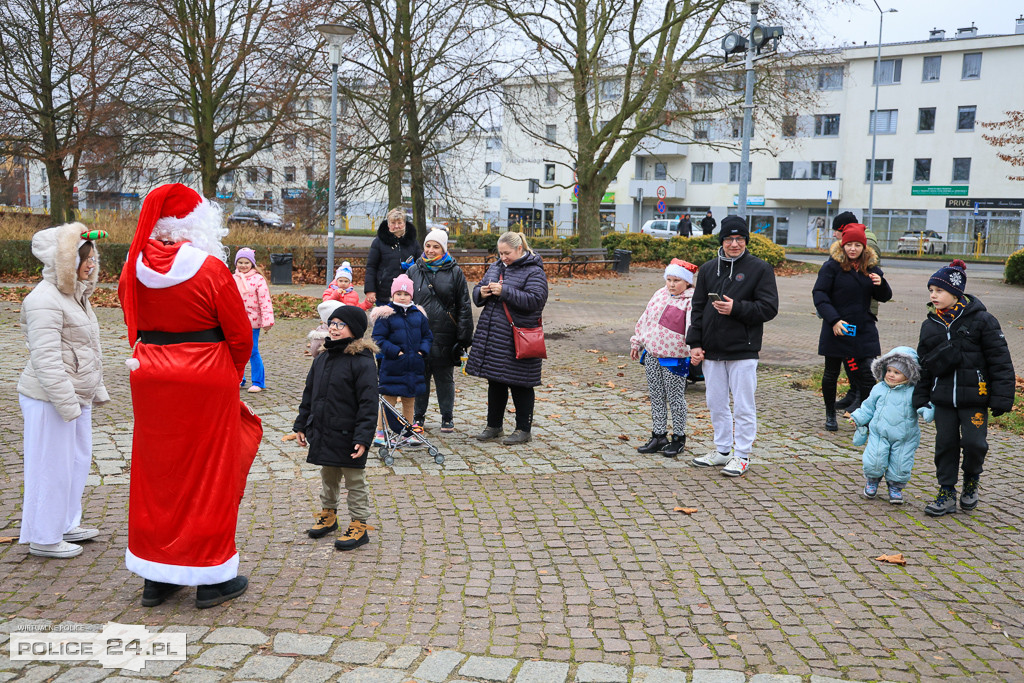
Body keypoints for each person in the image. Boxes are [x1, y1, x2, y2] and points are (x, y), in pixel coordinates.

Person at [118, 183, 260, 609]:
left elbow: (131, 317)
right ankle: (211, 577)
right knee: (210, 473)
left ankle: (155, 577)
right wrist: (227, 377)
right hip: (205, 374)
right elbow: (238, 334)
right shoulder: (210, 268)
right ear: (196, 225)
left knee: (156, 475)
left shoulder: (133, 266)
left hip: (151, 376)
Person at [17, 224, 109, 559]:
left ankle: (65, 523)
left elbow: (88, 348)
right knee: (51, 465)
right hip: (49, 399)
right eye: (84, 257)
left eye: (93, 257)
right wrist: (67, 402)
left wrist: (93, 390)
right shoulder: (44, 299)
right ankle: (44, 535)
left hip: (74, 397)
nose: (91, 263)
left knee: (75, 462)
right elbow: (46, 358)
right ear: (65, 260)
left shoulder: (75, 296)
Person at [913, 260, 1015, 517]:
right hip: (944, 399)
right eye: (931, 291)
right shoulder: (930, 325)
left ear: (956, 293)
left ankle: (971, 479)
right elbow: (924, 365)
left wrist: (1002, 396)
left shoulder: (983, 321)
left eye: (939, 290)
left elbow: (1000, 360)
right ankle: (946, 490)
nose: (933, 296)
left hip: (975, 398)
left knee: (974, 443)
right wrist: (921, 396)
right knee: (945, 444)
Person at [686, 216, 779, 477]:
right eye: (729, 239)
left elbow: (769, 308)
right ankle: (723, 450)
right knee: (716, 403)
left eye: (739, 239)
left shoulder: (760, 269)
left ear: (746, 241)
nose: (734, 244)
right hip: (712, 351)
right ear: (722, 241)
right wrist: (694, 342)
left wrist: (735, 308)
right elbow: (697, 308)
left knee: (743, 405)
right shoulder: (707, 269)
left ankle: (742, 454)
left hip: (743, 350)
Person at [294, 305, 379, 550]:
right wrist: (301, 424)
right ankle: (329, 515)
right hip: (325, 431)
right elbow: (309, 394)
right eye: (332, 323)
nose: (334, 327)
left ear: (354, 329)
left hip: (350, 434)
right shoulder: (323, 358)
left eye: (340, 324)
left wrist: (363, 438)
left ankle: (359, 524)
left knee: (354, 480)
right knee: (328, 475)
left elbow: (368, 403)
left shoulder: (361, 361)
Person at [466, 231, 549, 445]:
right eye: (500, 253)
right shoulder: (495, 267)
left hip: (517, 337)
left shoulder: (534, 271)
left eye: (507, 253)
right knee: (495, 381)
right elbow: (477, 290)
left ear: (519, 249)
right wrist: (481, 293)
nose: (503, 257)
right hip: (494, 337)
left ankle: (524, 429)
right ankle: (494, 426)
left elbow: (535, 300)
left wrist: (505, 291)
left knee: (521, 384)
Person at [812, 224, 892, 432]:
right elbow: (820, 295)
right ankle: (830, 414)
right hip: (837, 327)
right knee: (832, 372)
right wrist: (834, 321)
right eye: (849, 245)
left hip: (863, 328)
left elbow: (885, 296)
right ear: (842, 245)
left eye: (858, 245)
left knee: (868, 374)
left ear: (864, 247)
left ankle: (863, 416)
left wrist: (880, 283)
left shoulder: (871, 267)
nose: (853, 249)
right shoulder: (831, 267)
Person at [407, 228, 474, 433]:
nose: (431, 250)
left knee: (444, 378)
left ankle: (447, 416)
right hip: (419, 333)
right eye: (428, 245)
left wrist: (464, 336)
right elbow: (404, 300)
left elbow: (463, 304)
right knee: (420, 376)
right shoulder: (413, 270)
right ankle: (418, 417)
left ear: (444, 248)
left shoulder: (454, 271)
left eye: (436, 246)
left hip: (446, 332)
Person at [630, 258, 699, 457]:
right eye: (669, 279)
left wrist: (694, 348)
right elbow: (645, 319)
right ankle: (659, 435)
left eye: (676, 280)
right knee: (657, 397)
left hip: (675, 357)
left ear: (687, 282)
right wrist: (637, 341)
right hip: (652, 354)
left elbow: (691, 327)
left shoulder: (690, 300)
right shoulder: (659, 295)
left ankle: (678, 438)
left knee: (675, 398)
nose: (671, 284)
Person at [850, 347, 934, 505]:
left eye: (896, 372)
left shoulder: (913, 392)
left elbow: (922, 404)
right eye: (888, 370)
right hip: (879, 433)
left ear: (909, 375)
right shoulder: (879, 389)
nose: (891, 375)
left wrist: (927, 410)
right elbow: (868, 407)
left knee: (901, 464)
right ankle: (872, 480)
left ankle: (895, 487)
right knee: (874, 459)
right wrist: (859, 417)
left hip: (905, 436)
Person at [370, 274, 433, 445]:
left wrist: (422, 351)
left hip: (414, 365)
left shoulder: (418, 315)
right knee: (388, 400)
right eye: (398, 293)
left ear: (411, 295)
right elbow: (378, 339)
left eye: (406, 294)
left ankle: (408, 431)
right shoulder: (386, 315)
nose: (402, 297)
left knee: (409, 400)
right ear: (392, 295)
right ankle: (381, 431)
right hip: (393, 365)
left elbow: (427, 336)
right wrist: (396, 352)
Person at [233, 248, 275, 393]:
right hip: (236, 321)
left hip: (252, 321)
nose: (243, 265)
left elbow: (265, 301)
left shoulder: (258, 279)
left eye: (246, 262)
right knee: (237, 351)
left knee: (252, 351)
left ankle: (258, 381)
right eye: (240, 262)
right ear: (236, 263)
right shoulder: (232, 278)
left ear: (252, 263)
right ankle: (239, 378)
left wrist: (267, 321)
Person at [309, 262, 372, 357]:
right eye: (340, 280)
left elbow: (357, 308)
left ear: (350, 282)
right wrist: (336, 295)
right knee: (322, 341)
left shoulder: (353, 294)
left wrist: (367, 303)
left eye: (346, 281)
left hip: (347, 324)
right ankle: (322, 356)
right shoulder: (330, 291)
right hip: (331, 322)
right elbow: (325, 304)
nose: (343, 283)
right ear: (336, 280)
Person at [365, 208, 422, 307]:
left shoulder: (413, 242)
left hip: (407, 292)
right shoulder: (379, 242)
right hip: (384, 293)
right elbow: (371, 267)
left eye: (399, 222)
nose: (396, 226)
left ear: (404, 223)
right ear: (388, 224)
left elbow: (421, 265)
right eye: (393, 223)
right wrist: (370, 290)